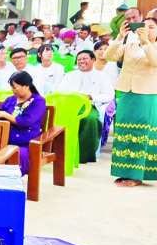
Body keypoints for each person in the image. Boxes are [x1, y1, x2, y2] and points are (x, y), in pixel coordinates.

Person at [105, 15, 157, 187]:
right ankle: (124, 172)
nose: (146, 29)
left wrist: (146, 42)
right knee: (124, 131)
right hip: (126, 92)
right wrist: (120, 37)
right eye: (144, 26)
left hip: (146, 95)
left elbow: (155, 62)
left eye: (151, 27)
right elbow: (109, 56)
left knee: (141, 133)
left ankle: (136, 175)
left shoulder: (153, 46)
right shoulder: (130, 44)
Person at [0, 71, 46, 175]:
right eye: (12, 87)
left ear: (26, 86)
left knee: (18, 153)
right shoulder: (11, 99)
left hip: (26, 143)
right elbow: (0, 111)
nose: (13, 90)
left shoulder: (38, 101)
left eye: (15, 87)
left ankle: (9, 178)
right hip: (3, 139)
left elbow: (26, 121)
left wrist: (6, 115)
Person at [58, 50, 114, 163]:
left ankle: (84, 155)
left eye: (85, 58)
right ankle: (62, 152)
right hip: (70, 105)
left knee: (90, 119)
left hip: (90, 105)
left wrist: (91, 97)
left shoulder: (102, 76)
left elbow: (109, 95)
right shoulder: (70, 75)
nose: (81, 61)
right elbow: (60, 91)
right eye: (79, 59)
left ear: (93, 60)